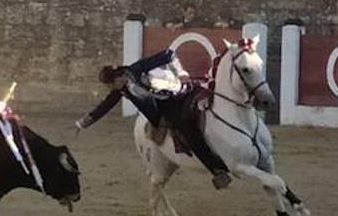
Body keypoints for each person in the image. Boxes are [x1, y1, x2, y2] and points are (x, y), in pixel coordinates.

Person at [78, 51, 232, 188]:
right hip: (167, 107)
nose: (111, 89)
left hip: (181, 90)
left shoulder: (136, 69)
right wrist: (84, 122)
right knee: (187, 130)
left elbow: (168, 54)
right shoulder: (121, 90)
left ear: (118, 77)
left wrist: (181, 72)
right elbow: (105, 106)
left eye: (111, 85)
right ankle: (217, 170)